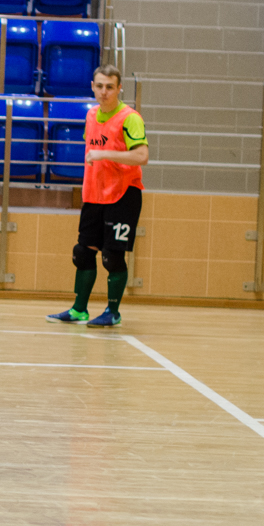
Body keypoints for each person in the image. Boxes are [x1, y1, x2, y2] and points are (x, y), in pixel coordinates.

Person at [47, 64, 149, 328]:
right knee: (83, 252)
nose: (104, 92)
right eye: (100, 86)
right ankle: (79, 310)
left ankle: (112, 312)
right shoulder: (91, 115)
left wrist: (105, 154)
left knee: (112, 256)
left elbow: (141, 156)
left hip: (123, 195)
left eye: (110, 87)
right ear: (92, 87)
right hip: (94, 195)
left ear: (119, 88)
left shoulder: (130, 117)